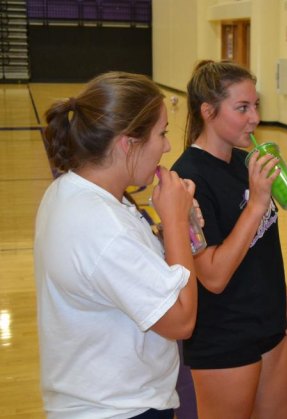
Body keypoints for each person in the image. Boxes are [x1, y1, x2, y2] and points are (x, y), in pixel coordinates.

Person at [34, 72, 198, 418]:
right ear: (128, 143)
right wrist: (175, 223)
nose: (167, 146)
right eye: (162, 133)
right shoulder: (102, 227)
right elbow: (181, 321)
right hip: (118, 409)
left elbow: (142, 275)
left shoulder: (77, 191)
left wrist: (176, 226)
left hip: (106, 400)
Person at [171, 60, 287, 419]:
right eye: (242, 108)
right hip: (225, 337)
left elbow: (264, 246)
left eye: (256, 105)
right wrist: (257, 203)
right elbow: (212, 276)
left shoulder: (248, 162)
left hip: (269, 325)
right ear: (208, 112)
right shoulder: (186, 179)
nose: (255, 118)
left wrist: (285, 305)